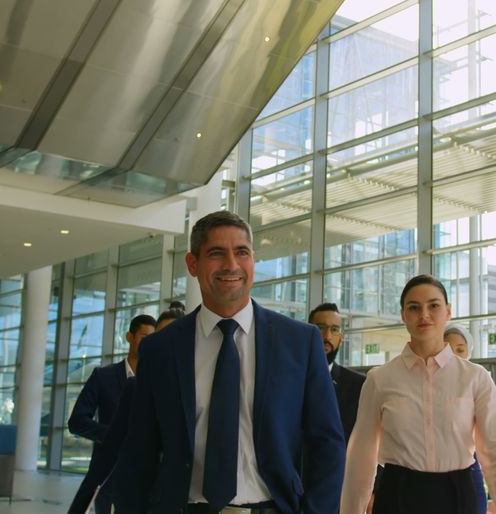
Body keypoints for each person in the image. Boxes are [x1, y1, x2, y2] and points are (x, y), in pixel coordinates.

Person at [120, 211, 345, 514]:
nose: (231, 265)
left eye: (242, 252)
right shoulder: (161, 349)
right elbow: (139, 452)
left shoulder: (299, 342)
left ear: (253, 260)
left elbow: (327, 443)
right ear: (192, 264)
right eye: (216, 253)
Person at [340, 274, 496, 514]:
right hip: (397, 496)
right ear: (403, 315)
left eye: (434, 306)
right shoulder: (380, 379)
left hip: (457, 495)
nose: (424, 315)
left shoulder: (474, 377)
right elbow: (360, 459)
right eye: (414, 308)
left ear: (448, 312)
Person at [68, 313, 157, 513]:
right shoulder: (103, 377)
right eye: (144, 337)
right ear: (130, 337)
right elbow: (77, 421)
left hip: (147, 478)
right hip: (109, 475)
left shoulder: (158, 382)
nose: (149, 344)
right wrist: (114, 435)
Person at [444, 326, 488, 514]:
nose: (454, 354)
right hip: (429, 476)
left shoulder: (478, 381)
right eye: (448, 349)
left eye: (460, 349)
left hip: (468, 469)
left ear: (468, 351)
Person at [308, 302, 365, 442]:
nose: (327, 336)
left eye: (334, 329)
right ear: (308, 332)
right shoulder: (290, 379)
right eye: (320, 328)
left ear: (341, 338)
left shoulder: (358, 385)